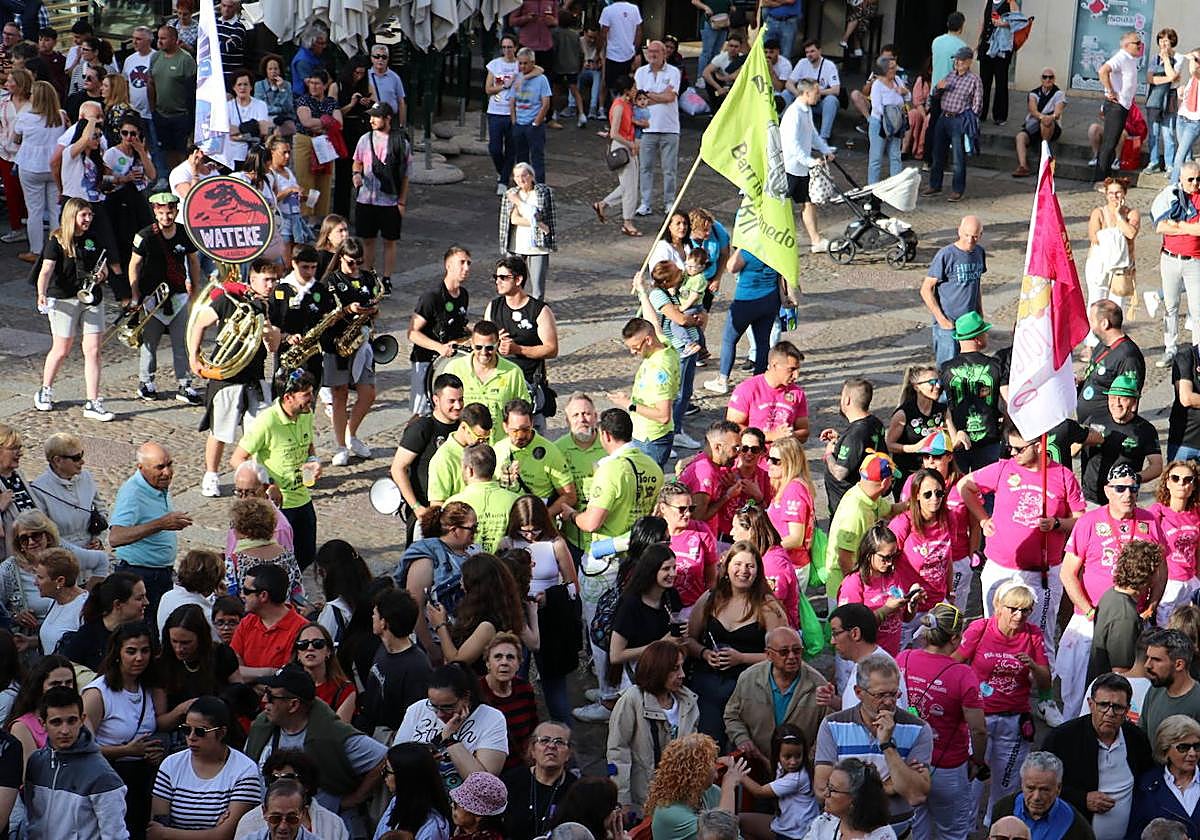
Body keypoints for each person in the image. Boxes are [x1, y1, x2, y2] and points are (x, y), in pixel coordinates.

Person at [958, 423, 1085, 654]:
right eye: (1010, 448)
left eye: (1018, 449)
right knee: (994, 630)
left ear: (1038, 446)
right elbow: (964, 486)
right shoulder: (1003, 468)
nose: (1013, 454)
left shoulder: (1063, 476)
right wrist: (983, 519)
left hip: (1042, 572)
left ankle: (1041, 685)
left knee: (1040, 636)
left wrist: (1057, 523)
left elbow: (1080, 519)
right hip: (1000, 567)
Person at [1059, 462, 1166, 713]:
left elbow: (1161, 570)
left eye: (1133, 488)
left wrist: (1152, 604)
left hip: (1132, 619)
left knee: (1123, 687)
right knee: (1079, 692)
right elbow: (1068, 572)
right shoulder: (1088, 522)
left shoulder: (1149, 520)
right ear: (1107, 491)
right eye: (1120, 489)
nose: (1128, 495)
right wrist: (1088, 611)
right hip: (1091, 618)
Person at [955, 580, 1052, 821]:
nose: (1019, 615)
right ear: (998, 606)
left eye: (1025, 610)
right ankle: (964, 830)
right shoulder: (981, 628)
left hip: (1014, 720)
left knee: (1006, 783)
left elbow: (1046, 683)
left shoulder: (1033, 635)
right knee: (972, 779)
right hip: (979, 719)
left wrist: (1033, 666)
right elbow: (956, 662)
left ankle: (997, 827)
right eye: (1013, 608)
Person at [189, 260, 284, 498]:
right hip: (227, 376)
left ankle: (255, 477)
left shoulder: (269, 305)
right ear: (252, 279)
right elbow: (200, 323)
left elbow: (272, 348)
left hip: (255, 377)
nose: (271, 285)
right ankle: (211, 475)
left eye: (274, 280)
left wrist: (272, 333)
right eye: (266, 280)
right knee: (220, 430)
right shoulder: (229, 300)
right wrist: (194, 356)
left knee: (258, 433)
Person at [243, 662, 387, 817]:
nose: (264, 700)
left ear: (293, 705)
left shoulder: (331, 734)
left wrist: (355, 798)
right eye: (265, 692)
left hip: (324, 825)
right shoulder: (262, 727)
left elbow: (384, 758)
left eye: (271, 697)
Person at [814, 654, 932, 837]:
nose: (888, 702)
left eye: (893, 694)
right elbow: (823, 790)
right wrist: (886, 785)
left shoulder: (918, 729)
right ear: (859, 692)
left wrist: (887, 745)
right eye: (880, 695)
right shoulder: (833, 726)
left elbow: (916, 795)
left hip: (899, 833)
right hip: (845, 833)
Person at [895, 604, 987, 840]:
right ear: (955, 638)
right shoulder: (963, 675)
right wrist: (977, 761)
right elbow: (978, 730)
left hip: (909, 763)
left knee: (917, 830)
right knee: (953, 833)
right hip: (948, 767)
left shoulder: (903, 659)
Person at [686, 542, 787, 743]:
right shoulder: (709, 599)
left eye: (750, 566)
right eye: (738, 564)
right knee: (708, 744)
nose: (743, 571)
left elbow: (783, 655)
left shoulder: (767, 606)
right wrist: (705, 653)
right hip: (708, 687)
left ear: (758, 571)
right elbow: (688, 639)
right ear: (727, 567)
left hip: (749, 689)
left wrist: (741, 658)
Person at [1042, 672, 1154, 840]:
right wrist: (1083, 799)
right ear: (1091, 704)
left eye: (1117, 707)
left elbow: (1147, 781)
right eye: (1103, 705)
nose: (1110, 713)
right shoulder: (1062, 739)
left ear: (1127, 710)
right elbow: (1040, 785)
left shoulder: (1136, 739)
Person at [32, 197, 114, 420]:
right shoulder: (57, 241)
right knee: (62, 349)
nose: (88, 219)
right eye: (84, 215)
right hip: (64, 299)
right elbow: (46, 270)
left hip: (91, 298)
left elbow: (104, 269)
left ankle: (93, 401)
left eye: (90, 215)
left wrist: (101, 275)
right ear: (72, 216)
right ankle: (45, 390)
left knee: (93, 350)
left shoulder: (93, 239)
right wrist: (41, 293)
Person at [230, 370, 320, 572]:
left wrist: (313, 460)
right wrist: (267, 484)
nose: (311, 399)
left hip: (303, 498)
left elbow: (309, 444)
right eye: (306, 395)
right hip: (278, 507)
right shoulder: (267, 422)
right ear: (288, 397)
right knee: (279, 563)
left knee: (306, 556)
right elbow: (237, 459)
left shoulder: (306, 415)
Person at [81, 621, 162, 837]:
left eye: (145, 651)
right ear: (117, 653)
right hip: (109, 781)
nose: (139, 658)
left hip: (143, 782)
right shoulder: (98, 693)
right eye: (131, 651)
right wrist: (126, 751)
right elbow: (82, 749)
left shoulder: (146, 687)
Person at [24, 685, 130, 839]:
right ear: (42, 724)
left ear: (82, 720)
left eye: (71, 721)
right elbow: (31, 817)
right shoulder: (35, 762)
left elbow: (115, 835)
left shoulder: (102, 774)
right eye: (56, 722)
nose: (65, 730)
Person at [150, 695, 264, 835]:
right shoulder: (171, 765)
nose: (191, 737)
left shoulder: (245, 770)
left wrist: (167, 833)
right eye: (186, 730)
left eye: (200, 731)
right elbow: (155, 832)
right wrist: (211, 833)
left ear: (221, 733)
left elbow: (226, 835)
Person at [724, 625, 833, 771]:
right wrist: (742, 739)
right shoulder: (749, 678)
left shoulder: (817, 684)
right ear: (768, 654)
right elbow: (731, 715)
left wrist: (808, 763)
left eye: (797, 650)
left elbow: (828, 731)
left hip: (800, 772)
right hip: (755, 765)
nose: (792, 657)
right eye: (784, 652)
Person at [128, 191, 201, 404]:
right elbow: (134, 264)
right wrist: (134, 295)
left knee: (182, 343)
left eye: (170, 213)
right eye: (162, 213)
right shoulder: (145, 236)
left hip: (178, 296)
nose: (166, 217)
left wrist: (195, 288)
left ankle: (185, 384)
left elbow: (193, 262)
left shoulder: (185, 233)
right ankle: (146, 382)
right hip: (152, 298)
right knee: (149, 344)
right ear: (155, 212)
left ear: (176, 211)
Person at [606, 640, 697, 810]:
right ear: (658, 670)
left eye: (682, 667)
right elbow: (618, 752)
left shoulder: (689, 702)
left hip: (679, 799)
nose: (682, 674)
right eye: (675, 669)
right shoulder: (632, 700)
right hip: (644, 800)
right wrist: (622, 800)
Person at [108, 441, 190, 620]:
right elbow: (115, 537)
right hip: (141, 575)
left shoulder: (157, 484)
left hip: (161, 573)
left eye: (169, 464)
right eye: (160, 467)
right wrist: (161, 524)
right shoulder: (133, 493)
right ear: (141, 468)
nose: (167, 472)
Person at [392, 664, 508, 787]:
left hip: (464, 804)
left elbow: (483, 785)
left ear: (466, 697)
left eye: (448, 707)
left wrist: (450, 740)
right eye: (433, 706)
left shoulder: (491, 718)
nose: (439, 714)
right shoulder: (418, 709)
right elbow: (395, 763)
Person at [703, 248, 795, 397]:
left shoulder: (750, 250)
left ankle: (722, 379)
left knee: (729, 339)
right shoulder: (776, 248)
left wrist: (739, 247)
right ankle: (759, 381)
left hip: (746, 301)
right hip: (770, 301)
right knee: (763, 342)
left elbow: (731, 267)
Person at [154, 604, 239, 734]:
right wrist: (182, 709)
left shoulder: (222, 655)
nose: (179, 649)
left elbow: (240, 693)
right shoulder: (163, 664)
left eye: (186, 643)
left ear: (200, 638)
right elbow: (160, 722)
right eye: (174, 641)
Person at [646, 733, 747, 840]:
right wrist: (729, 787)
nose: (716, 766)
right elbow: (722, 836)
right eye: (712, 761)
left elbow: (737, 836)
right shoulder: (669, 813)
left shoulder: (712, 792)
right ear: (696, 771)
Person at [825, 453, 897, 602]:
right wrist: (859, 587)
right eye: (892, 479)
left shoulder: (867, 495)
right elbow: (844, 559)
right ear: (885, 482)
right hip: (843, 587)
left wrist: (914, 502)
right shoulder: (856, 512)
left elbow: (891, 510)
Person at [351, 102, 408, 289]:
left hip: (389, 200)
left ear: (387, 118)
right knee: (367, 239)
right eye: (371, 116)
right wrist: (356, 175)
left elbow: (406, 175)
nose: (372, 120)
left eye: (376, 116)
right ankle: (368, 275)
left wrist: (401, 201)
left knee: (389, 241)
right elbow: (357, 162)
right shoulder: (364, 140)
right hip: (366, 198)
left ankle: (387, 278)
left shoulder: (400, 142)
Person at [839, 524, 918, 657]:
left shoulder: (893, 576)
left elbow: (905, 618)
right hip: (865, 658)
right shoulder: (853, 583)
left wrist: (912, 604)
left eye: (894, 556)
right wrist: (887, 609)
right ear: (869, 553)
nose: (890, 563)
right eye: (885, 558)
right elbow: (851, 628)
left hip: (891, 655)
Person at [611, 317, 680, 468]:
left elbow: (663, 416)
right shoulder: (663, 344)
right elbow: (653, 322)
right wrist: (643, 294)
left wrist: (629, 404)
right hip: (644, 434)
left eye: (635, 347)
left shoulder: (660, 370)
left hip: (651, 439)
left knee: (648, 486)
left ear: (648, 340)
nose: (632, 352)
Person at [1089, 543, 1162, 685]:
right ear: (1149, 574)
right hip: (1112, 696)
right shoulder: (1125, 616)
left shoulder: (1111, 595)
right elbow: (1121, 674)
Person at [28, 431, 107, 558]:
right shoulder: (39, 489)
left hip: (92, 552)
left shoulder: (86, 477)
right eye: (76, 458)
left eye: (82, 455)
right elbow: (44, 533)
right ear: (57, 460)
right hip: (61, 557)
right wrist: (76, 552)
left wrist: (99, 538)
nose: (82, 461)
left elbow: (101, 509)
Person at [921, 216, 986, 367]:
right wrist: (942, 319)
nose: (970, 240)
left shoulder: (979, 252)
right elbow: (926, 289)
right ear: (959, 232)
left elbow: (976, 284)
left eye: (975, 236)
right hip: (949, 323)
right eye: (967, 235)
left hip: (970, 323)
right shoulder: (946, 255)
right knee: (947, 368)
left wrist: (980, 313)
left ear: (981, 235)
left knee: (969, 366)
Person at [14, 80, 67, 263]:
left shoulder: (25, 116)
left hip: (30, 165)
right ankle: (57, 249)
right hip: (54, 166)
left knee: (34, 210)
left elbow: (16, 136)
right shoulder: (60, 116)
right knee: (55, 210)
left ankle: (36, 251)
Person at [922, 47, 982, 203]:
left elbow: (978, 104)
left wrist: (968, 118)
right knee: (937, 154)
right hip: (944, 117)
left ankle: (957, 190)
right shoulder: (950, 76)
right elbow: (935, 94)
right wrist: (938, 88)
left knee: (958, 157)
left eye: (961, 60)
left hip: (958, 119)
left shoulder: (974, 80)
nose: (957, 63)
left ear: (968, 62)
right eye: (956, 60)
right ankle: (935, 185)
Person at [1156, 160, 1200, 369]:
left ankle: (1198, 351)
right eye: (1190, 179)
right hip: (1170, 259)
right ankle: (1170, 348)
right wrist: (1188, 227)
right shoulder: (1171, 196)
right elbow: (1160, 227)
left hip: (1194, 262)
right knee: (1170, 306)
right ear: (1181, 180)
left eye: (1198, 179)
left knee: (1197, 309)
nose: (1195, 183)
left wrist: (1179, 224)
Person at [820, 379, 887, 516]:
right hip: (865, 500)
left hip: (847, 508)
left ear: (847, 400)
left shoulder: (855, 434)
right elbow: (860, 451)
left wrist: (828, 455)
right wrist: (840, 441)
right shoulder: (875, 422)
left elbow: (840, 472)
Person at [1083, 179, 1139, 340]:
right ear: (1106, 195)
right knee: (1096, 302)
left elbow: (1130, 233)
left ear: (1124, 193)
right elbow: (1094, 237)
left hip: (1121, 268)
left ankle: (1114, 340)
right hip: (1099, 265)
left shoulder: (1131, 213)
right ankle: (1092, 342)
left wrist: (1119, 216)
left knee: (1116, 305)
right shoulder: (1098, 213)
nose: (1114, 196)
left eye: (1118, 192)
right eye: (1111, 193)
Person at [991, 752, 1094, 840]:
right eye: (1031, 788)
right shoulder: (1002, 809)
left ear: (1058, 788)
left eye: (1045, 790)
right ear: (1022, 784)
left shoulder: (1077, 827)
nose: (1036, 797)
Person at [1128, 713, 1200, 838]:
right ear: (1165, 749)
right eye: (1183, 747)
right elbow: (1135, 834)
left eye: (1197, 746)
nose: (1192, 753)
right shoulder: (1146, 786)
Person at [58, 570, 147, 670]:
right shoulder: (87, 636)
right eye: (139, 598)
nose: (146, 602)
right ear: (117, 604)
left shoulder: (144, 632)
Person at [231, 564, 307, 681]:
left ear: (263, 596)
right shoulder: (247, 622)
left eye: (246, 591)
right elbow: (233, 671)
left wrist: (249, 676)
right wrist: (269, 672)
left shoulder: (302, 630)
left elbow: (286, 680)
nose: (241, 595)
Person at [727, 341, 809, 443]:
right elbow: (731, 429)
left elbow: (804, 432)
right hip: (752, 456)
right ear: (774, 365)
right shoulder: (747, 389)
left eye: (797, 370)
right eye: (791, 369)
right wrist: (770, 436)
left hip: (783, 456)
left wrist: (792, 435)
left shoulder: (797, 393)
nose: (796, 375)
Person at [1078, 301, 1145, 426]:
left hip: (1108, 431)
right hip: (1089, 426)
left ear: (1104, 323)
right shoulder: (1102, 345)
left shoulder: (1128, 356)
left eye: (1092, 321)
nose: (1089, 326)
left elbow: (1127, 400)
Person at [634, 41, 680, 217]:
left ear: (664, 53)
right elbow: (639, 99)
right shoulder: (640, 72)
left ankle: (669, 202)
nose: (652, 54)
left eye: (656, 51)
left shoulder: (674, 72)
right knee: (645, 167)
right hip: (646, 128)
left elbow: (670, 97)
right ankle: (645, 202)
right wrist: (659, 95)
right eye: (650, 51)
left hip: (670, 128)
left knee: (669, 169)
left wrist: (649, 94)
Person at [593, 74, 641, 237]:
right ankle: (627, 222)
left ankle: (603, 204)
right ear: (627, 90)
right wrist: (631, 144)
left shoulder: (626, 104)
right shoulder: (620, 106)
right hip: (623, 146)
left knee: (628, 185)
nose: (636, 90)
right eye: (633, 88)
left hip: (627, 145)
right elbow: (614, 133)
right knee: (630, 188)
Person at [1095, 32, 1144, 183]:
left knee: (1113, 142)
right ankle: (1100, 179)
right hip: (1116, 105)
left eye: (1140, 43)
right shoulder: (1121, 56)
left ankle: (1107, 177)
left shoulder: (1130, 59)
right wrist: (1110, 90)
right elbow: (1103, 70)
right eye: (1136, 43)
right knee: (1109, 143)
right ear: (1126, 45)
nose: (1140, 46)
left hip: (1123, 106)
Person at [293, 69, 341, 222]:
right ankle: (306, 215)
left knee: (323, 181)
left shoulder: (331, 102)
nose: (313, 86)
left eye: (317, 83)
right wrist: (327, 121)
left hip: (325, 142)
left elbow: (339, 124)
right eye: (311, 83)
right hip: (305, 142)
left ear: (325, 85)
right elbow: (306, 122)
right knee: (306, 180)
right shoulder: (303, 100)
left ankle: (319, 218)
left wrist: (320, 124)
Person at [148, 25, 195, 170]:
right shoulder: (155, 57)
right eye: (158, 38)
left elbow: (192, 90)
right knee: (167, 150)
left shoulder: (186, 60)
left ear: (174, 39)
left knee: (182, 151)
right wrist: (153, 109)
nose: (159, 41)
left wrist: (191, 117)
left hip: (181, 115)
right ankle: (171, 178)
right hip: (161, 114)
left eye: (163, 38)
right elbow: (150, 83)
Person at [1140, 629, 1200, 739]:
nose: (1147, 665)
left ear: (1179, 665)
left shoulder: (1197, 701)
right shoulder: (1154, 691)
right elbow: (1142, 737)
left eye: (1156, 660)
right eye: (1147, 658)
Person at [1013, 68, 1066, 177]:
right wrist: (1042, 117)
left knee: (1046, 123)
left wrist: (1050, 117)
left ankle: (1045, 157)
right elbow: (1032, 109)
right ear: (1041, 79)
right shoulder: (1034, 93)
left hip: (1052, 126)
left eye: (1050, 77)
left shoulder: (1059, 93)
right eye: (1045, 77)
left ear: (1054, 79)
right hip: (1035, 124)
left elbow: (1058, 111)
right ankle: (1023, 166)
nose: (1048, 79)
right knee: (1020, 137)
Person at [32, 547, 85, 655]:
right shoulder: (54, 602)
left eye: (40, 578)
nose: (35, 582)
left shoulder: (84, 608)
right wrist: (29, 642)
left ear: (60, 581)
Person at [785, 41, 840, 141]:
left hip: (819, 102)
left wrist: (815, 93)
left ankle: (823, 138)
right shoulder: (802, 62)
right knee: (785, 94)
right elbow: (789, 83)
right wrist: (798, 94)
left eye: (812, 51)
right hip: (803, 99)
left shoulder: (829, 65)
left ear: (819, 51)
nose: (809, 55)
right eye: (807, 52)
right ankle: (781, 131)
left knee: (831, 100)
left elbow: (836, 90)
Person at [867, 57, 907, 185]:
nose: (894, 70)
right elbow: (876, 106)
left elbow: (908, 97)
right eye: (891, 68)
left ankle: (895, 187)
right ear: (885, 70)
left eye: (895, 67)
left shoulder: (897, 80)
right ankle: (872, 189)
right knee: (876, 158)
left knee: (896, 156)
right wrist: (891, 114)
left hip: (896, 123)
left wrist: (904, 92)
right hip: (880, 123)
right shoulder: (877, 85)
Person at [1168, 50, 1200, 186]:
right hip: (1182, 118)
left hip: (1194, 122)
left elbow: (1194, 71)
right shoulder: (1192, 79)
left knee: (1179, 156)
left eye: (1196, 60)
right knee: (1186, 155)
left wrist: (1193, 58)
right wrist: (1181, 94)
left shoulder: (1197, 74)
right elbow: (1187, 99)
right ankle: (1190, 183)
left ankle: (1173, 187)